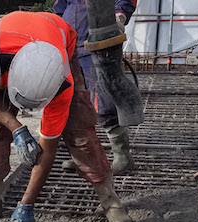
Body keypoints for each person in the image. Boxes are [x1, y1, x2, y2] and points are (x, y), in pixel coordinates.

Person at [0, 11, 131, 222]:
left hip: (58, 38)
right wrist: (17, 128)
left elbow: (48, 149)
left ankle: (110, 201)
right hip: (12, 42)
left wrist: (27, 203)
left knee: (80, 131)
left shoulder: (61, 82)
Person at [54, 0, 136, 174]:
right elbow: (60, 7)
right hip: (70, 44)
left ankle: (122, 154)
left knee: (104, 101)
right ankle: (83, 155)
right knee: (74, 105)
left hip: (97, 42)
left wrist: (120, 16)